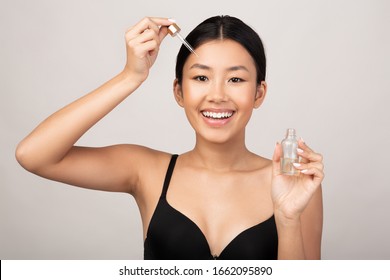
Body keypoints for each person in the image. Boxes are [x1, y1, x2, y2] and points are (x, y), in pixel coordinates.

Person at [15, 15, 324, 260]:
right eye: (201, 77)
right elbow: (34, 155)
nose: (216, 95)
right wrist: (131, 75)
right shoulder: (145, 171)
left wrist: (287, 219)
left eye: (235, 79)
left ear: (259, 93)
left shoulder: (294, 183)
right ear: (179, 91)